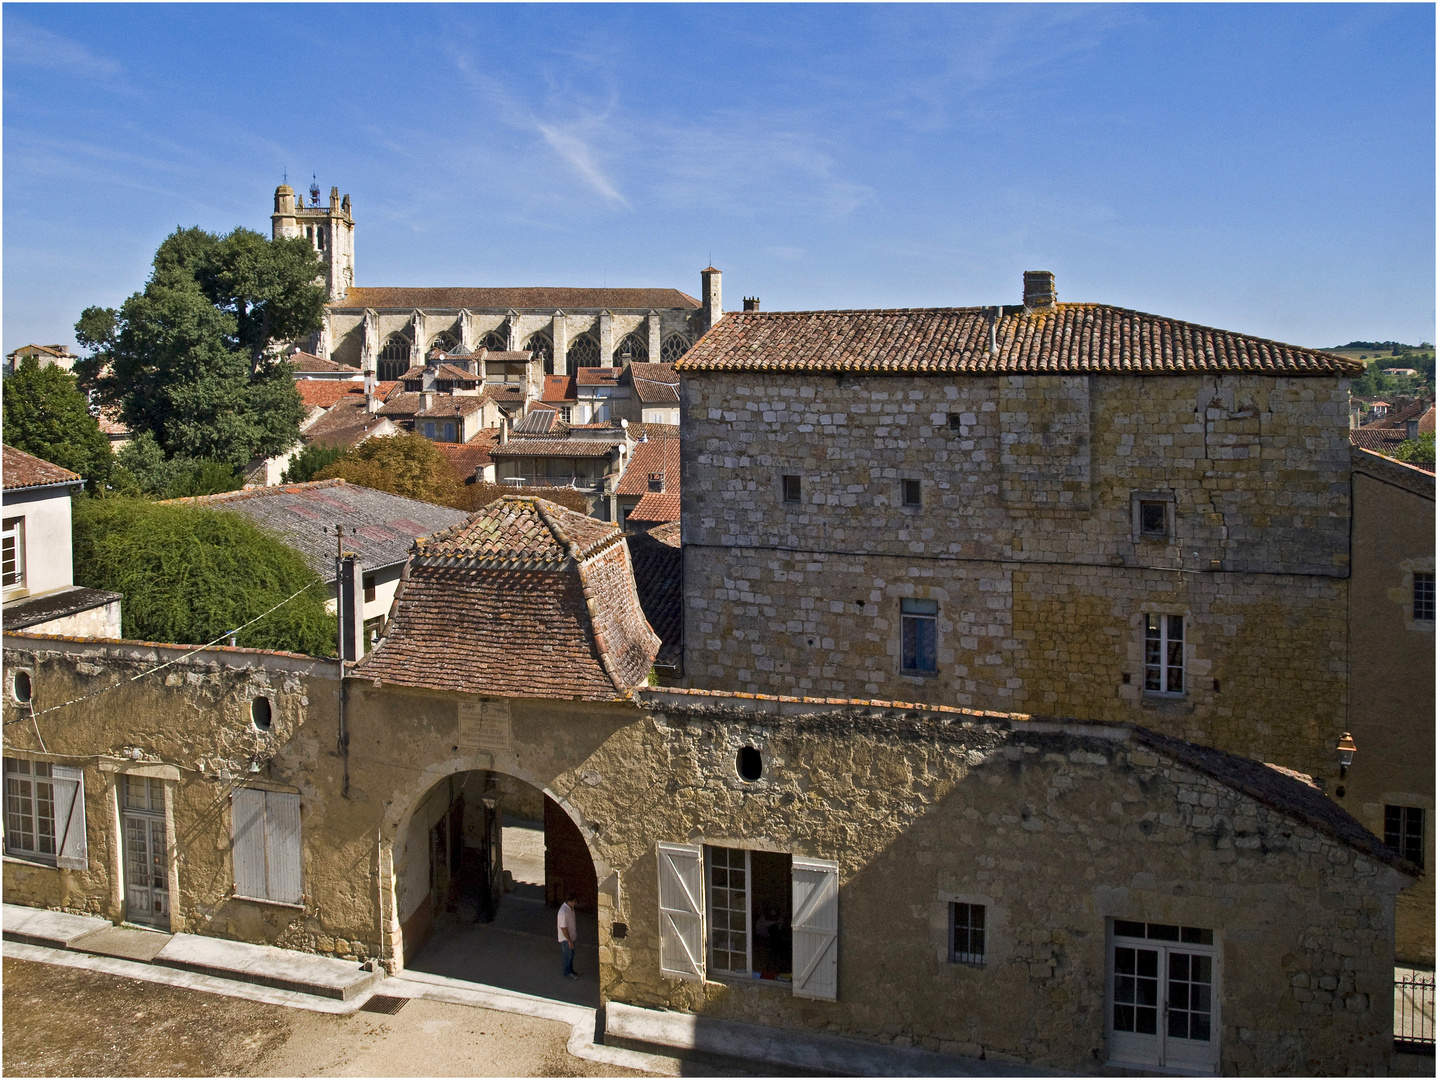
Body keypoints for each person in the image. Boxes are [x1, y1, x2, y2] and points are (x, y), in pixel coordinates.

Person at [557, 891, 580, 979]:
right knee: (568, 955)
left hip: (572, 937)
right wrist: (569, 940)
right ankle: (567, 972)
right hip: (566, 939)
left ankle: (571, 970)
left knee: (571, 955)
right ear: (569, 901)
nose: (575, 903)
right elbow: (563, 927)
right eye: (574, 902)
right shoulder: (563, 912)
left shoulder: (570, 909)